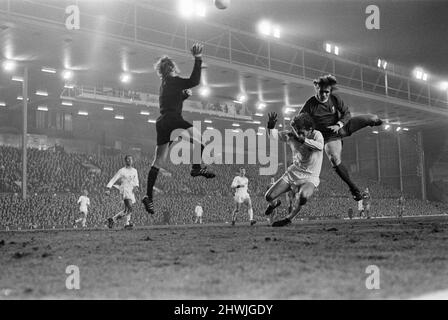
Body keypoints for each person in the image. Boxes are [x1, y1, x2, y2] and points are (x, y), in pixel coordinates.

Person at [142, 43, 215, 215]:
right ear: (173, 68)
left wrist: (182, 96)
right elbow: (194, 81)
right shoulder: (174, 80)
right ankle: (196, 168)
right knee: (201, 140)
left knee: (158, 161)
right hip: (174, 120)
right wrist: (198, 59)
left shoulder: (164, 84)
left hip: (162, 123)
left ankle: (148, 196)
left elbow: (169, 103)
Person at [299, 74, 383, 201]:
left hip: (342, 127)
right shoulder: (310, 105)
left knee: (372, 118)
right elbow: (300, 120)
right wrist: (304, 134)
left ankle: (376, 122)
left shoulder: (334, 99)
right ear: (317, 89)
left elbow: (347, 113)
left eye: (327, 92)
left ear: (330, 91)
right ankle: (353, 188)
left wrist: (339, 124)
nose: (324, 95)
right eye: (321, 92)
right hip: (327, 137)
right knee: (334, 159)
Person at [265, 112, 324, 227]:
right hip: (293, 173)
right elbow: (272, 136)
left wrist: (302, 140)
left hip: (310, 177)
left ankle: (288, 219)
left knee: (303, 197)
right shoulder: (291, 135)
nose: (298, 134)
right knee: (268, 197)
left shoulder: (317, 135)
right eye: (297, 131)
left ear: (310, 129)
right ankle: (274, 203)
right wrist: (270, 126)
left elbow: (320, 146)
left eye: (302, 131)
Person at [105, 155, 139, 230]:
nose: (129, 161)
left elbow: (136, 180)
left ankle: (121, 222)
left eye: (130, 159)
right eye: (128, 159)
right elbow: (114, 179)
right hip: (125, 190)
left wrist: (136, 186)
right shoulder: (122, 171)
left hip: (131, 190)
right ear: (125, 161)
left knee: (127, 209)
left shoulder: (135, 170)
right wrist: (108, 188)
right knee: (129, 208)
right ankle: (118, 221)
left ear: (132, 161)